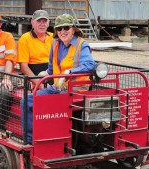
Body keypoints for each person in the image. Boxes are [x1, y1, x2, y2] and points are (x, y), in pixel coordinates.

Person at [21, 13, 96, 144]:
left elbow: (90, 65)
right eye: (59, 29)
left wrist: (69, 72)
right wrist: (44, 73)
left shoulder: (81, 45)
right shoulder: (56, 44)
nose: (63, 31)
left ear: (73, 29)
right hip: (57, 87)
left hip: (77, 89)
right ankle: (30, 140)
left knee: (57, 101)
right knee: (27, 100)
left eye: (66, 28)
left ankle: (57, 139)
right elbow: (51, 68)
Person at [17, 10, 53, 88]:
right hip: (35, 77)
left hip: (52, 75)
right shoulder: (25, 39)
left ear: (48, 23)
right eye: (39, 21)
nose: (42, 24)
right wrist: (39, 84)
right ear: (32, 22)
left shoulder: (54, 37)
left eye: (44, 21)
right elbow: (23, 67)